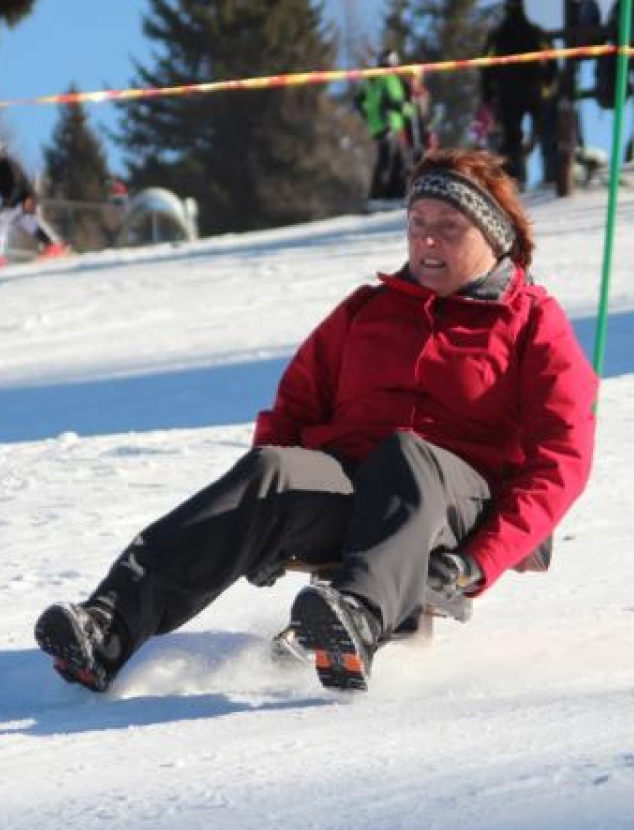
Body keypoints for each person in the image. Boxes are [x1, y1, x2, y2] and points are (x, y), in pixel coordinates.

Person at [33, 148, 599, 693]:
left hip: (457, 505)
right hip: (355, 482)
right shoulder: (367, 309)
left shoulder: (530, 322)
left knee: (408, 454)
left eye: (448, 226)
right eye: (416, 221)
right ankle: (110, 625)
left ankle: (357, 616)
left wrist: (480, 561)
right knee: (271, 469)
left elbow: (562, 459)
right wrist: (267, 530)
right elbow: (294, 409)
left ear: (493, 236)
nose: (426, 238)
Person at [480, 0, 556, 186]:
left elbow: (485, 66)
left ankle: (515, 180)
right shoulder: (533, 31)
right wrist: (549, 79)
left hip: (509, 94)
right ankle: (550, 173)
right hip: (532, 90)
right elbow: (552, 56)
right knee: (544, 130)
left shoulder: (497, 35)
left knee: (512, 138)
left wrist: (487, 94)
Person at [0, 138, 64, 264]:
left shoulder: (8, 165)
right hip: (12, 202)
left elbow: (16, 185)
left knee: (1, 222)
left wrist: (7, 203)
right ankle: (53, 245)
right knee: (26, 223)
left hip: (24, 199)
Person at [356, 49, 415, 200]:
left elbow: (362, 101)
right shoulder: (384, 77)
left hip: (387, 125)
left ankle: (392, 195)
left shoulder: (381, 78)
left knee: (397, 161)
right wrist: (404, 108)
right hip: (388, 125)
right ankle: (378, 196)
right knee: (389, 162)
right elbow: (389, 101)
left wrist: (369, 117)